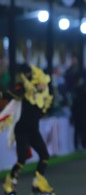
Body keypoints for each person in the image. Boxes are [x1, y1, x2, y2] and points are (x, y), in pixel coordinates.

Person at [1, 64, 55, 195]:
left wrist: (46, 106)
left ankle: (37, 185)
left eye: (45, 83)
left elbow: (44, 111)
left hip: (33, 131)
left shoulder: (43, 96)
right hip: (22, 129)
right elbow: (12, 94)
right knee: (22, 158)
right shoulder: (26, 90)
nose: (44, 85)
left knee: (44, 155)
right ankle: (10, 186)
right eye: (42, 83)